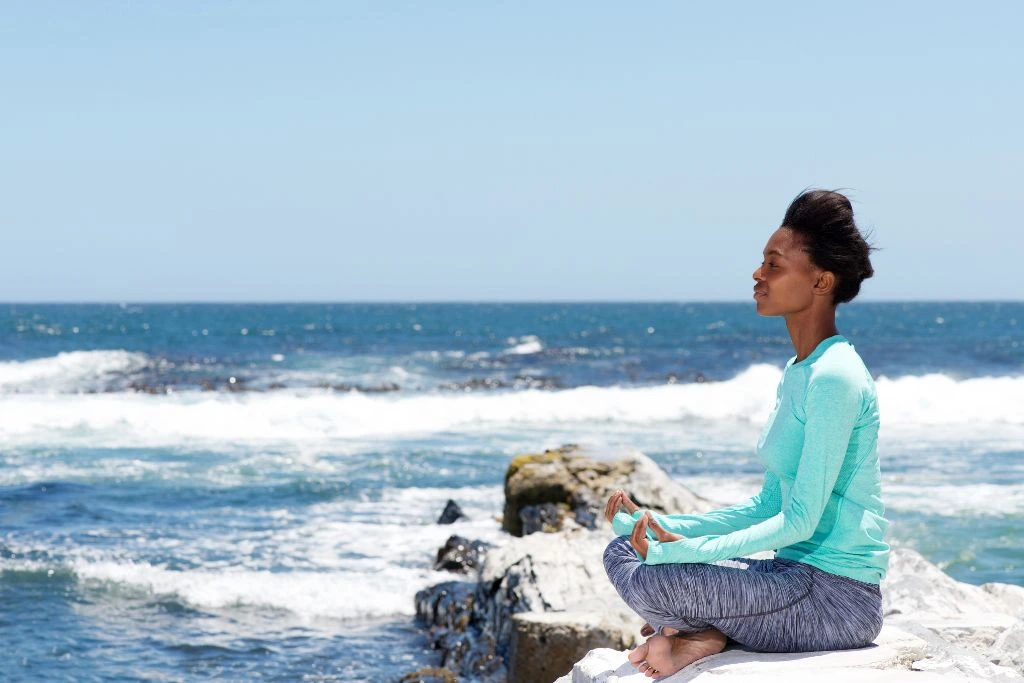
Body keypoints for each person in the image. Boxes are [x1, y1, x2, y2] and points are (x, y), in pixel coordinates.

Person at [603, 188, 888, 679]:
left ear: (821, 280)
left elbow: (799, 521)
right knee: (623, 550)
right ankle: (704, 635)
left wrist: (679, 552)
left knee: (655, 577)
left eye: (774, 265)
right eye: (762, 263)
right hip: (789, 576)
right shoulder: (801, 369)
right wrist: (664, 525)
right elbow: (767, 505)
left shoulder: (835, 377)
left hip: (836, 599)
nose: (758, 274)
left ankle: (698, 633)